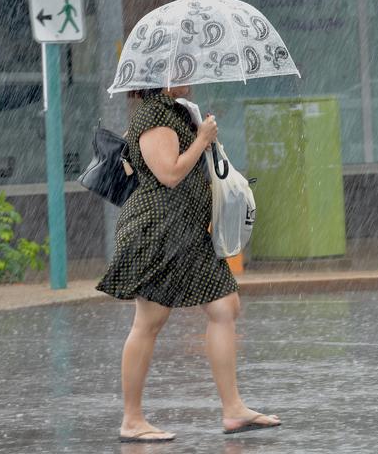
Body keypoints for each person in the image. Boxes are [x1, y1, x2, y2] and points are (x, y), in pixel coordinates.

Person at [97, 86, 281, 443]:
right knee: (150, 320)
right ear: (161, 77)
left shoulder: (178, 111)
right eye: (182, 66)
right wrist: (202, 139)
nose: (189, 75)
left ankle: (233, 409)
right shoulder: (153, 115)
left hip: (188, 230)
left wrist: (203, 134)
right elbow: (169, 173)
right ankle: (132, 419)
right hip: (157, 230)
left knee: (224, 306)